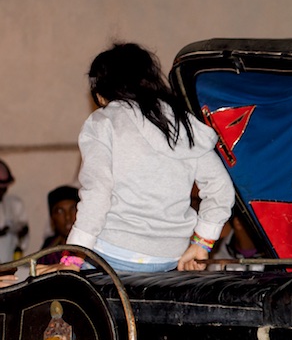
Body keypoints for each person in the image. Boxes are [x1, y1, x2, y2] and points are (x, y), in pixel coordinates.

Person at [66, 42, 234, 273]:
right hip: (170, 257)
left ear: (103, 91)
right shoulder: (183, 124)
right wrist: (202, 242)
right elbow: (221, 188)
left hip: (113, 252)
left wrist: (73, 256)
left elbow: (97, 191)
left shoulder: (103, 122)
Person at [37, 185, 80, 265]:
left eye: (73, 209)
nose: (67, 217)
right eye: (60, 211)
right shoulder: (48, 250)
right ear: (52, 218)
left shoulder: (91, 247)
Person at [0, 158, 29, 263]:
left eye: (4, 189)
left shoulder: (15, 203)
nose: (2, 192)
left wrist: (19, 230)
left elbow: (24, 230)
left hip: (11, 260)